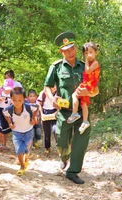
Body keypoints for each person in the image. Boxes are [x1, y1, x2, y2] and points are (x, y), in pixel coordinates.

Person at [43, 32, 98, 184]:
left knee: (80, 143)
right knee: (61, 141)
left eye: (72, 48)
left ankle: (73, 171)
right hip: (64, 113)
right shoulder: (56, 67)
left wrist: (91, 92)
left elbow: (95, 88)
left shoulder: (85, 66)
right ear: (61, 52)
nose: (71, 52)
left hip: (82, 112)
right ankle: (64, 156)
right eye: (66, 50)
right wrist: (51, 97)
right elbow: (47, 87)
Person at [3, 87, 38, 176]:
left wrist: (33, 118)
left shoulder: (28, 107)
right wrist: (10, 123)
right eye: (14, 100)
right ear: (11, 99)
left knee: (27, 149)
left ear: (24, 99)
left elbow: (37, 108)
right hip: (17, 132)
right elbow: (5, 114)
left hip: (28, 131)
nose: (17, 103)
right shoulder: (9, 109)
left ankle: (26, 159)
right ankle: (22, 167)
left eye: (20, 100)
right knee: (19, 150)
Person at [67, 42, 100, 134]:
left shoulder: (95, 63)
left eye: (90, 52)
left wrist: (86, 60)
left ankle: (74, 113)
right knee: (84, 103)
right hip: (87, 84)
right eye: (86, 53)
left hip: (89, 85)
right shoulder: (90, 63)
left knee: (74, 95)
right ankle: (85, 121)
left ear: (95, 53)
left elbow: (88, 71)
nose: (88, 55)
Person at [0, 78, 14, 151]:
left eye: (9, 89)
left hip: (7, 111)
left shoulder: (13, 93)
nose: (8, 90)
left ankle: (4, 144)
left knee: (6, 129)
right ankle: (1, 143)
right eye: (6, 88)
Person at [37, 85, 58, 154]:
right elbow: (39, 104)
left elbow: (60, 105)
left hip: (54, 112)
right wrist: (42, 113)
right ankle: (47, 148)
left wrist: (57, 112)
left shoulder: (58, 93)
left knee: (56, 130)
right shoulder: (43, 93)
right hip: (45, 112)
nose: (54, 88)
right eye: (53, 86)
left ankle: (59, 147)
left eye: (55, 86)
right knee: (46, 132)